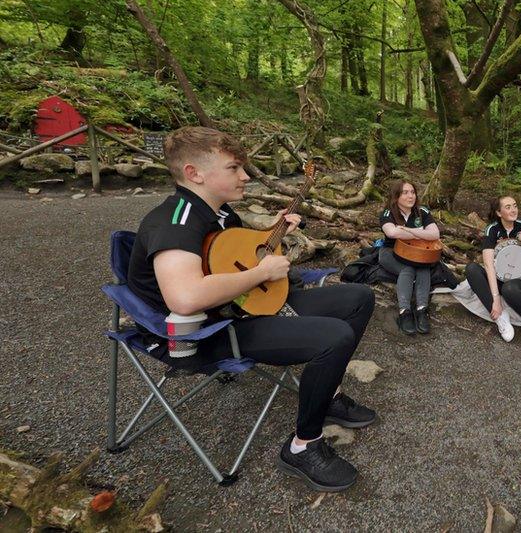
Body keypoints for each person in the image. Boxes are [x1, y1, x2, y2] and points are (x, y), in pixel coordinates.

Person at [128, 126, 377, 492]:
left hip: (242, 308)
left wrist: (273, 238)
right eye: (233, 168)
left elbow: (235, 261)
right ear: (194, 174)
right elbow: (185, 298)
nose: (245, 176)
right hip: (204, 334)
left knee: (358, 297)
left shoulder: (222, 214)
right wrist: (262, 272)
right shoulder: (175, 222)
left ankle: (328, 395)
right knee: (334, 337)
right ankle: (302, 446)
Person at [464, 196, 521, 348]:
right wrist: (496, 301)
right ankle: (500, 317)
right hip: (497, 277)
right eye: (508, 207)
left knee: (509, 288)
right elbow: (488, 263)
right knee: (472, 269)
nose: (513, 210)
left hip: (518, 280)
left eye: (515, 205)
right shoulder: (492, 229)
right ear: (499, 213)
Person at [378, 180, 440, 335]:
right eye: (405, 192)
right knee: (408, 269)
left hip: (417, 252)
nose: (410, 196)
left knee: (423, 265)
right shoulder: (388, 213)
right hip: (390, 252)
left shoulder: (422, 211)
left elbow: (435, 234)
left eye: (412, 192)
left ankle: (421, 310)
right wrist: (421, 232)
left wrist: (408, 230)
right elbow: (391, 233)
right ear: (396, 196)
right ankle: (404, 311)